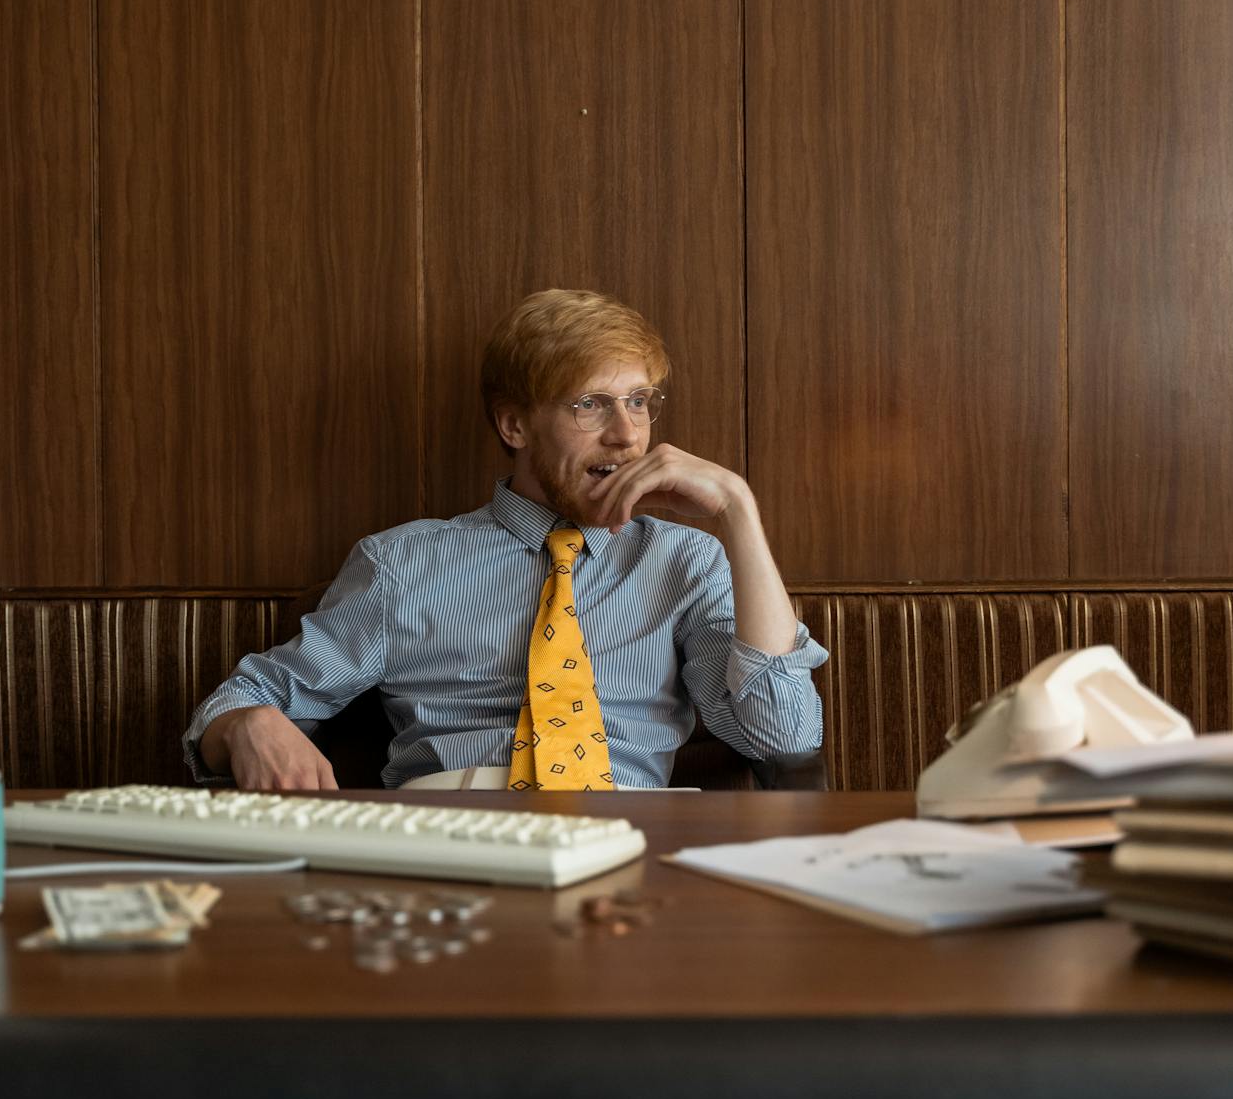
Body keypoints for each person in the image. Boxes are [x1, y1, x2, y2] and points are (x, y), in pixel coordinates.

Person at [183, 289, 826, 790]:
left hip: (631, 839)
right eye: (589, 404)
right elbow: (237, 704)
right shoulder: (404, 563)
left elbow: (785, 739)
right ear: (515, 424)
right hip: (453, 833)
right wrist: (249, 723)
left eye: (637, 401)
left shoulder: (684, 562)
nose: (628, 436)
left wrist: (739, 513)